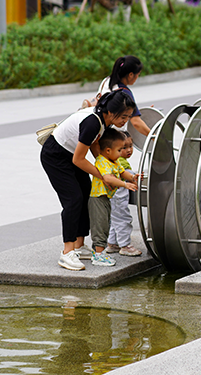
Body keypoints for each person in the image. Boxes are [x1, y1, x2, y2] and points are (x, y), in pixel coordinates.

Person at [40, 90, 137, 271]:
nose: (126, 121)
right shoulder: (93, 122)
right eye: (124, 116)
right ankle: (67, 253)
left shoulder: (102, 121)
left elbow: (94, 144)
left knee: (86, 194)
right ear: (111, 111)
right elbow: (78, 159)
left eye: (128, 117)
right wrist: (102, 175)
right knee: (73, 199)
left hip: (70, 155)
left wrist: (107, 169)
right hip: (56, 156)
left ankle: (79, 245)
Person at [88, 130, 138, 267]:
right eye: (120, 149)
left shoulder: (114, 161)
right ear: (108, 150)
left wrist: (133, 177)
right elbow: (108, 178)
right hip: (98, 198)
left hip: (106, 198)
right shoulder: (102, 161)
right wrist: (124, 184)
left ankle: (108, 247)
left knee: (108, 222)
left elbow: (123, 172)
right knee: (100, 226)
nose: (123, 152)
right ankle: (98, 255)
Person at [86, 56, 150, 138]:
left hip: (100, 129)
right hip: (115, 135)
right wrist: (153, 136)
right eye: (137, 75)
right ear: (131, 75)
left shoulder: (106, 80)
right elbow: (136, 122)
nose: (137, 78)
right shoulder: (124, 92)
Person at [106, 137, 143, 257]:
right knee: (123, 219)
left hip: (113, 196)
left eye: (130, 146)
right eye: (123, 148)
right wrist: (133, 177)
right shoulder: (118, 161)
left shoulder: (118, 160)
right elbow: (123, 174)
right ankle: (125, 246)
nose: (129, 150)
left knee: (115, 219)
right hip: (117, 196)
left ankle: (113, 243)